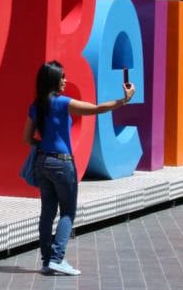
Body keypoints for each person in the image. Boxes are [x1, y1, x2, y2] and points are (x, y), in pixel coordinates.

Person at [22, 60, 135, 276]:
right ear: (53, 80)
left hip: (42, 162)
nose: (65, 80)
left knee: (47, 212)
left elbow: (26, 137)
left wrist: (44, 145)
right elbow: (96, 109)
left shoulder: (35, 106)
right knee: (68, 211)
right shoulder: (63, 103)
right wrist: (124, 100)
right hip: (62, 163)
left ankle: (47, 260)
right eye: (61, 77)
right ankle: (57, 258)